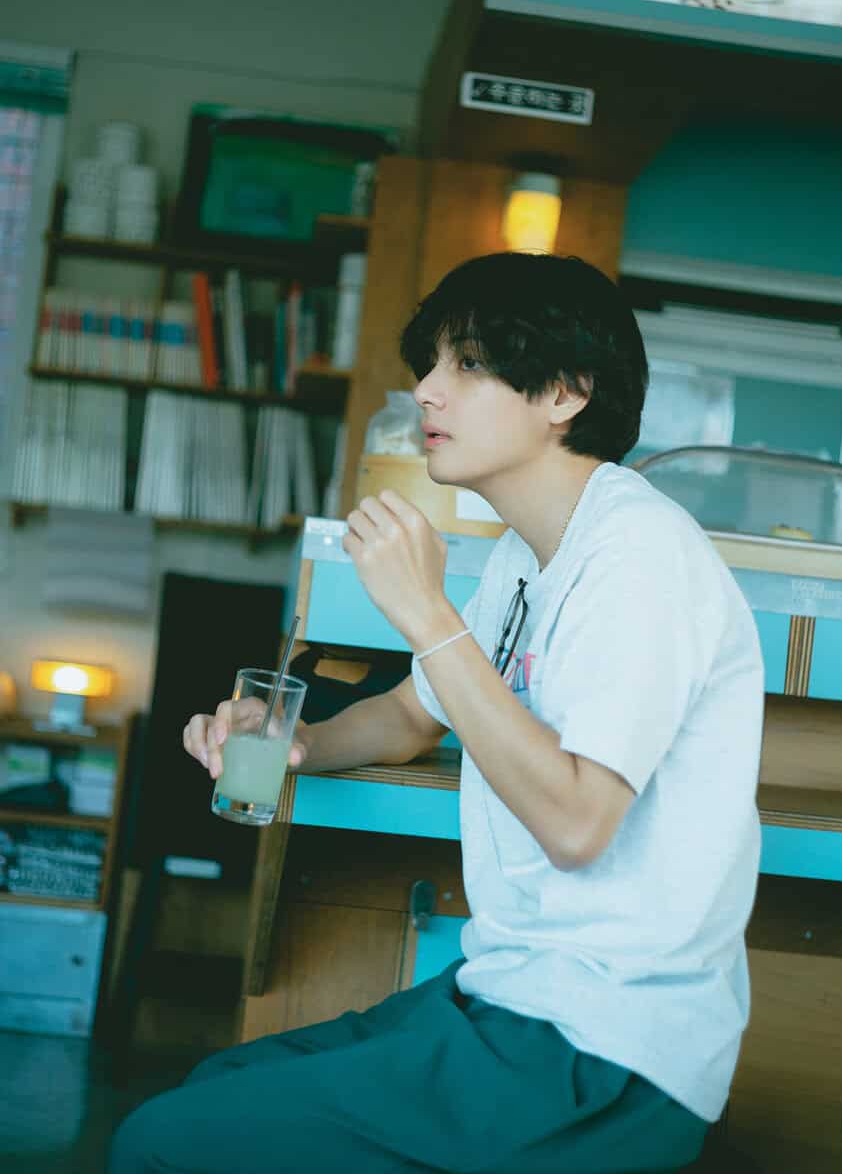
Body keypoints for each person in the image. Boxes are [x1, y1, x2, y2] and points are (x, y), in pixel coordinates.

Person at [110, 252, 764, 1174]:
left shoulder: (640, 557)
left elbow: (579, 823)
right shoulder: (526, 554)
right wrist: (296, 740)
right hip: (508, 994)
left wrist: (424, 610)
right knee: (216, 1084)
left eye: (468, 363)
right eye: (432, 364)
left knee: (161, 1144)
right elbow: (414, 714)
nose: (426, 389)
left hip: (604, 1049)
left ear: (566, 392)